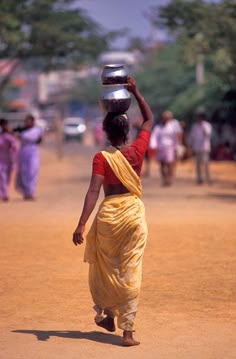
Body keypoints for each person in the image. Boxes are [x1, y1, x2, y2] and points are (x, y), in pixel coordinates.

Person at [72, 76, 153, 346]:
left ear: (105, 133)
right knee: (131, 269)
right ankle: (127, 331)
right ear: (127, 131)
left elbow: (93, 192)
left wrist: (81, 224)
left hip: (108, 217)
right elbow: (149, 120)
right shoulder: (136, 152)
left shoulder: (101, 158)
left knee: (107, 267)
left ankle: (107, 313)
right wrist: (136, 92)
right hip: (132, 215)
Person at [150, 111, 182, 186]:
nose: (165, 119)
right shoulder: (158, 127)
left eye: (167, 118)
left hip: (170, 147)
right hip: (161, 147)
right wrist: (153, 145)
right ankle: (164, 178)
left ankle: (169, 178)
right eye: (164, 118)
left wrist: (177, 145)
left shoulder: (173, 126)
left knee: (170, 164)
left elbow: (177, 136)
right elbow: (154, 136)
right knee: (162, 164)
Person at [15, 114, 43, 200]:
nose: (27, 123)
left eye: (28, 121)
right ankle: (26, 193)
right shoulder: (23, 130)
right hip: (23, 153)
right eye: (26, 121)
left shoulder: (36, 130)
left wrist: (21, 134)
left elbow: (34, 138)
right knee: (24, 172)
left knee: (32, 172)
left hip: (33, 153)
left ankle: (31, 192)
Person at [189, 111, 212, 184]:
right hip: (197, 147)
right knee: (198, 164)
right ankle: (199, 179)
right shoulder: (195, 126)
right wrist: (191, 146)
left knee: (205, 164)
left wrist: (203, 127)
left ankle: (208, 178)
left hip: (205, 147)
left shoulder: (207, 125)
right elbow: (192, 136)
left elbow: (207, 134)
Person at [0, 119, 18, 201]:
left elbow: (14, 148)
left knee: (7, 178)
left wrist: (14, 161)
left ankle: (4, 192)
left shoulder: (9, 136)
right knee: (2, 176)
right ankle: (4, 194)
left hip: (8, 159)